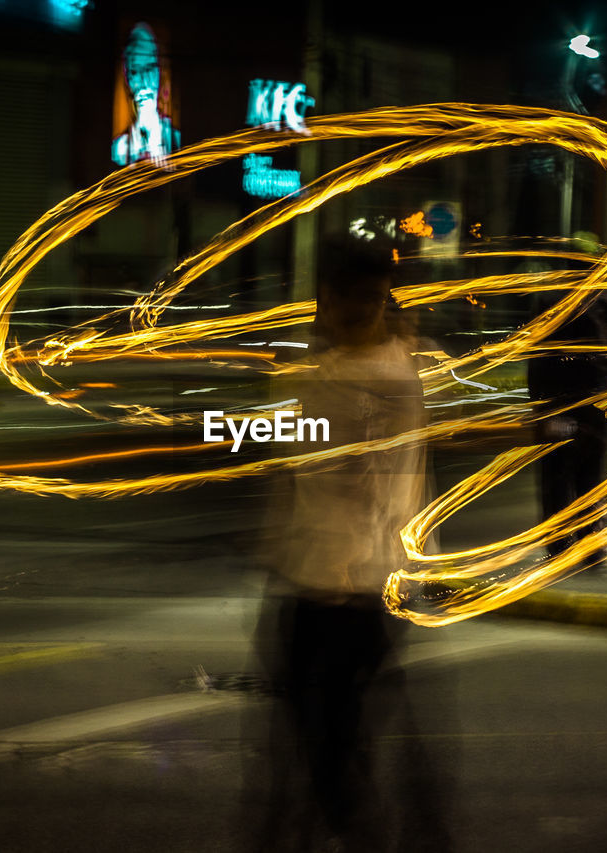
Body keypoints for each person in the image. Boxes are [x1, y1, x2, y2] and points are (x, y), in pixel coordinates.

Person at [245, 239, 450, 852]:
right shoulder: (385, 363)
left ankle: (354, 834)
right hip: (320, 578)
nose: (360, 309)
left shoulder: (370, 377)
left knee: (324, 749)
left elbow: (294, 445)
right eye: (349, 298)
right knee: (318, 742)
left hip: (353, 589)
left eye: (371, 298)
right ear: (325, 302)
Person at [526, 286, 607, 563]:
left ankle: (558, 549)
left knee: (556, 478)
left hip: (558, 402)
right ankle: (591, 546)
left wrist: (540, 407)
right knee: (590, 478)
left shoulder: (548, 299)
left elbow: (538, 357)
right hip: (593, 402)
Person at [111, 23, 179, 167]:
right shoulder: (120, 149)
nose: (143, 82)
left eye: (149, 69)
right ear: (127, 78)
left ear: (160, 73)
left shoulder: (175, 140)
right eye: (135, 71)